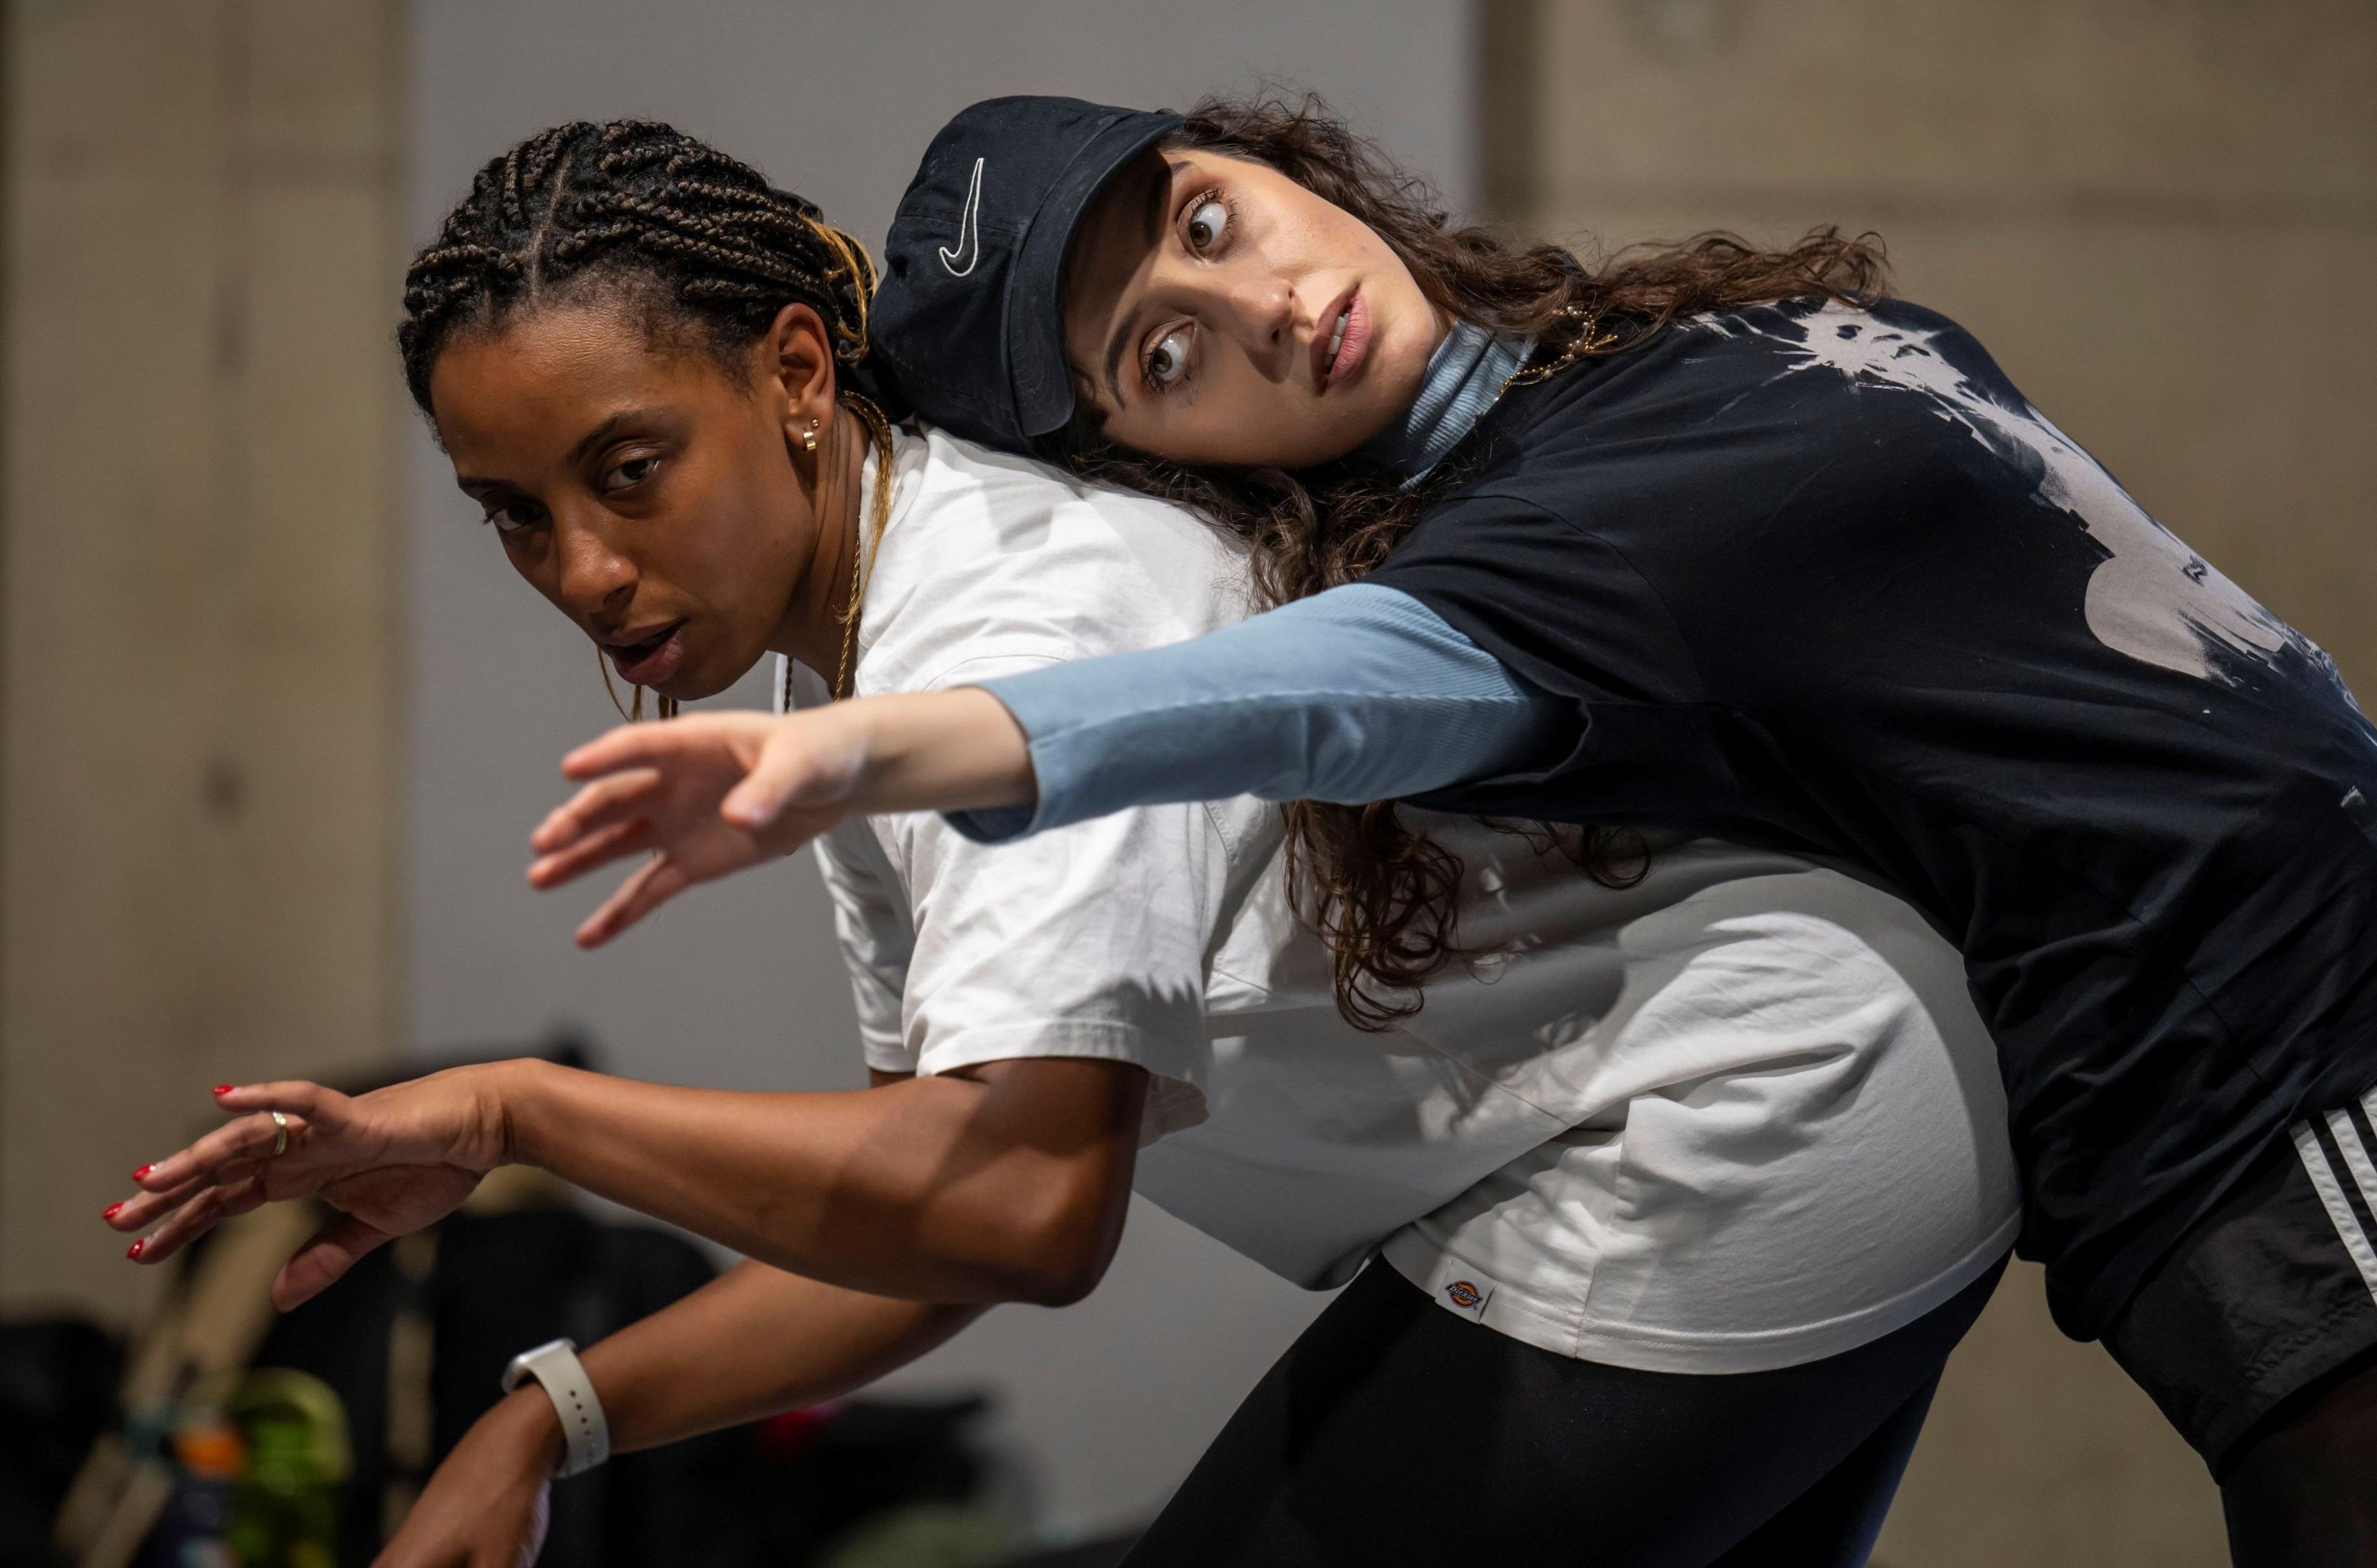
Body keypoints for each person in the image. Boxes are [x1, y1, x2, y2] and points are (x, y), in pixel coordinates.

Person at [106, 119, 2017, 1568]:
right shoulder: (859, 648)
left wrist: (516, 1116)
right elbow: (918, 1221)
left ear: (792, 374)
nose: (585, 568)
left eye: (629, 470)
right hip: (1807, 1106)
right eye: (516, 515)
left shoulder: (1005, 614)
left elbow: (1026, 1210)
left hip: (1737, 1127)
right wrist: (556, 1410)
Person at [530, 97, 2377, 1562]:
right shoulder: (1532, 550)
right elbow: (1307, 689)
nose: (1256, 304)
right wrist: (877, 755)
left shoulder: (1648, 357)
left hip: (2295, 1018)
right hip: (2213, 1104)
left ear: (1265, 160)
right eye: (1161, 361)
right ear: (1163, 465)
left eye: (1203, 221)